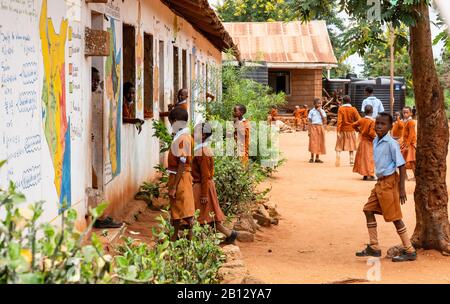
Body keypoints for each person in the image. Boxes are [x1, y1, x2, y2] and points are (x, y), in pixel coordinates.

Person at [356, 112, 417, 262]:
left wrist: (401, 189)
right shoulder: (376, 140)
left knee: (395, 217)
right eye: (377, 123)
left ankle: (409, 250)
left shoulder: (391, 143)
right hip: (380, 182)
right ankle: (374, 246)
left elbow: (401, 166)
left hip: (390, 183)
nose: (378, 126)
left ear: (390, 126)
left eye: (383, 124)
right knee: (368, 210)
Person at [192, 123, 238, 244]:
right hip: (204, 185)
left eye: (195, 131)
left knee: (201, 216)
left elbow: (204, 175)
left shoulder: (202, 152)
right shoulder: (201, 149)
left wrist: (203, 195)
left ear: (202, 135)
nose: (193, 133)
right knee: (207, 216)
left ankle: (225, 235)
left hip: (203, 186)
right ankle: (229, 234)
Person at [167, 107, 196, 241]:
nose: (170, 125)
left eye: (171, 122)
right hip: (178, 176)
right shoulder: (182, 136)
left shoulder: (183, 138)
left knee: (185, 209)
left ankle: (192, 239)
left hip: (181, 177)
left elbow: (182, 163)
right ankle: (175, 236)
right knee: (177, 207)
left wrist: (174, 186)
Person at [352, 105, 376, 181]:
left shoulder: (362, 120)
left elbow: (353, 125)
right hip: (369, 142)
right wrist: (376, 137)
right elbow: (372, 133)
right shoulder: (372, 121)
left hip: (362, 141)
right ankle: (371, 175)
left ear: (364, 112)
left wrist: (359, 131)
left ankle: (365, 175)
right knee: (370, 159)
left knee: (363, 158)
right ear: (372, 112)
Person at [335, 96, 360, 167]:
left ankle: (338, 156)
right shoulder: (353, 109)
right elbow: (358, 119)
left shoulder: (341, 109)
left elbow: (339, 121)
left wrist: (338, 131)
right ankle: (351, 160)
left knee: (339, 145)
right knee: (351, 146)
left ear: (343, 101)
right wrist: (356, 127)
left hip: (342, 130)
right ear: (350, 101)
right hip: (351, 130)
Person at [308, 98, 327, 163]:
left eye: (320, 103)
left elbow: (325, 120)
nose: (319, 104)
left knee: (319, 142)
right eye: (318, 103)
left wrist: (320, 112)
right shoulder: (311, 111)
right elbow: (310, 122)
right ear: (314, 104)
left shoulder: (322, 111)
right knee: (313, 142)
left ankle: (317, 158)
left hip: (320, 127)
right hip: (313, 127)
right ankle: (311, 157)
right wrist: (309, 131)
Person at [401, 107, 416, 181]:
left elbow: (411, 134)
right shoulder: (405, 121)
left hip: (410, 144)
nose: (405, 114)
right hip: (405, 143)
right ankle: (405, 176)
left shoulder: (411, 122)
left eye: (407, 112)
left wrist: (407, 145)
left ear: (411, 113)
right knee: (402, 160)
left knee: (412, 161)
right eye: (404, 112)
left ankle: (415, 176)